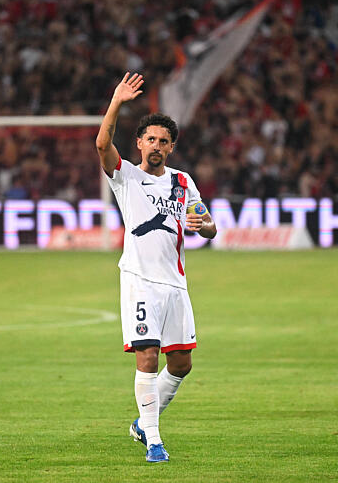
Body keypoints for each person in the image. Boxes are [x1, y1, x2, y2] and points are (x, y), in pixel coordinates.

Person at [95, 72, 217, 463]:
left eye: (164, 141)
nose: (157, 145)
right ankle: (154, 440)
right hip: (140, 280)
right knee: (147, 356)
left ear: (172, 147)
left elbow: (209, 224)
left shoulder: (183, 183)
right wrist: (116, 101)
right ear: (139, 144)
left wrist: (205, 226)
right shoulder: (126, 178)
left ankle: (141, 423)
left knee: (181, 363)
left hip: (175, 284)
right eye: (150, 139)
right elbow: (101, 144)